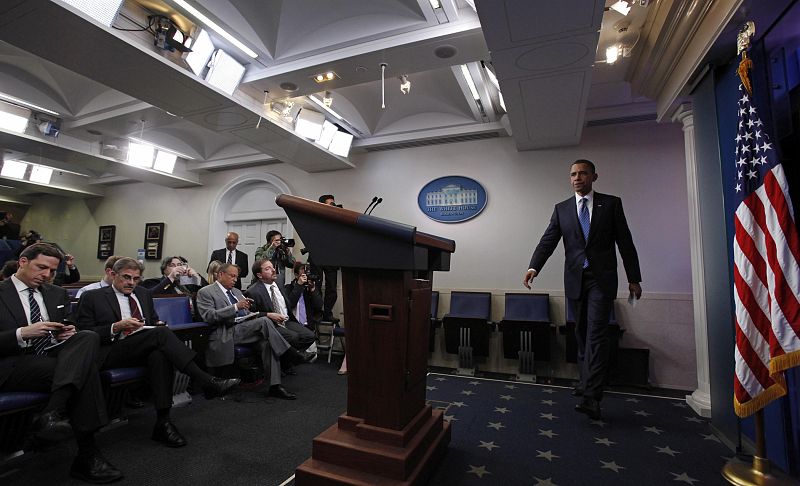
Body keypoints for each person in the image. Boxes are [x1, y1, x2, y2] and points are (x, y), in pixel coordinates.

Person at [76, 258, 240, 448]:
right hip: (111, 350)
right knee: (161, 335)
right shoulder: (93, 297)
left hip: (141, 346)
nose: (131, 283)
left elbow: (152, 321)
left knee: (160, 355)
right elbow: (85, 333)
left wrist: (157, 324)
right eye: (126, 277)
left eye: (136, 278)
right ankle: (206, 380)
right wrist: (116, 327)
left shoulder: (143, 294)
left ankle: (163, 422)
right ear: (113, 274)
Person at [523, 159, 642, 420]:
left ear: (594, 177)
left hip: (602, 280)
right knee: (581, 332)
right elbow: (548, 241)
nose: (577, 178)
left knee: (597, 333)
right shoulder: (562, 209)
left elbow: (625, 242)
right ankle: (585, 380)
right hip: (575, 280)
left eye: (583, 173)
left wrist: (634, 278)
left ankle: (592, 396)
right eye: (573, 174)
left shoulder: (611, 204)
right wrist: (534, 267)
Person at [0, 243, 121, 483]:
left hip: (51, 357)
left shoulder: (56, 293)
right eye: (41, 267)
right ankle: (87, 453)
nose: (47, 275)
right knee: (84, 371)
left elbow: (68, 324)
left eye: (52, 271)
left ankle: (52, 411)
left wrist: (65, 332)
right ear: (23, 262)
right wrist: (22, 333)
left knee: (87, 336)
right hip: (12, 362)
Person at [196, 263, 311, 401]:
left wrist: (250, 313)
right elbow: (209, 316)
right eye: (232, 276)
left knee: (268, 343)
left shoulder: (236, 292)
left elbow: (247, 314)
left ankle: (275, 386)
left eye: (236, 277)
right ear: (221, 274)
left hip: (245, 329)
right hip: (225, 331)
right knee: (265, 321)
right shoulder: (206, 292)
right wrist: (235, 307)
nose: (235, 280)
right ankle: (290, 353)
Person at [246, 260, 316, 356]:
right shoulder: (253, 291)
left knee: (310, 336)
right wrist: (268, 315)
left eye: (272, 267)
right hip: (272, 325)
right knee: (293, 337)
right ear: (259, 275)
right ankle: (295, 357)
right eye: (268, 269)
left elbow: (290, 303)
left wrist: (300, 286)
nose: (273, 270)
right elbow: (251, 315)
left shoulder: (279, 281)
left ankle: (292, 356)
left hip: (286, 320)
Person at [316, 195, 341, 323]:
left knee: (332, 288)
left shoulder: (336, 219)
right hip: (317, 255)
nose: (333, 205)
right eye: (330, 203)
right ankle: (317, 313)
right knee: (316, 286)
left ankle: (327, 313)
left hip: (332, 256)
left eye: (333, 203)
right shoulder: (315, 217)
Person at [142, 255, 208, 294]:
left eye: (179, 265)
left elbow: (207, 292)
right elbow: (152, 294)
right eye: (172, 265)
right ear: (164, 269)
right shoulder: (153, 282)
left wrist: (196, 276)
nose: (177, 268)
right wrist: (171, 276)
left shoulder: (187, 282)